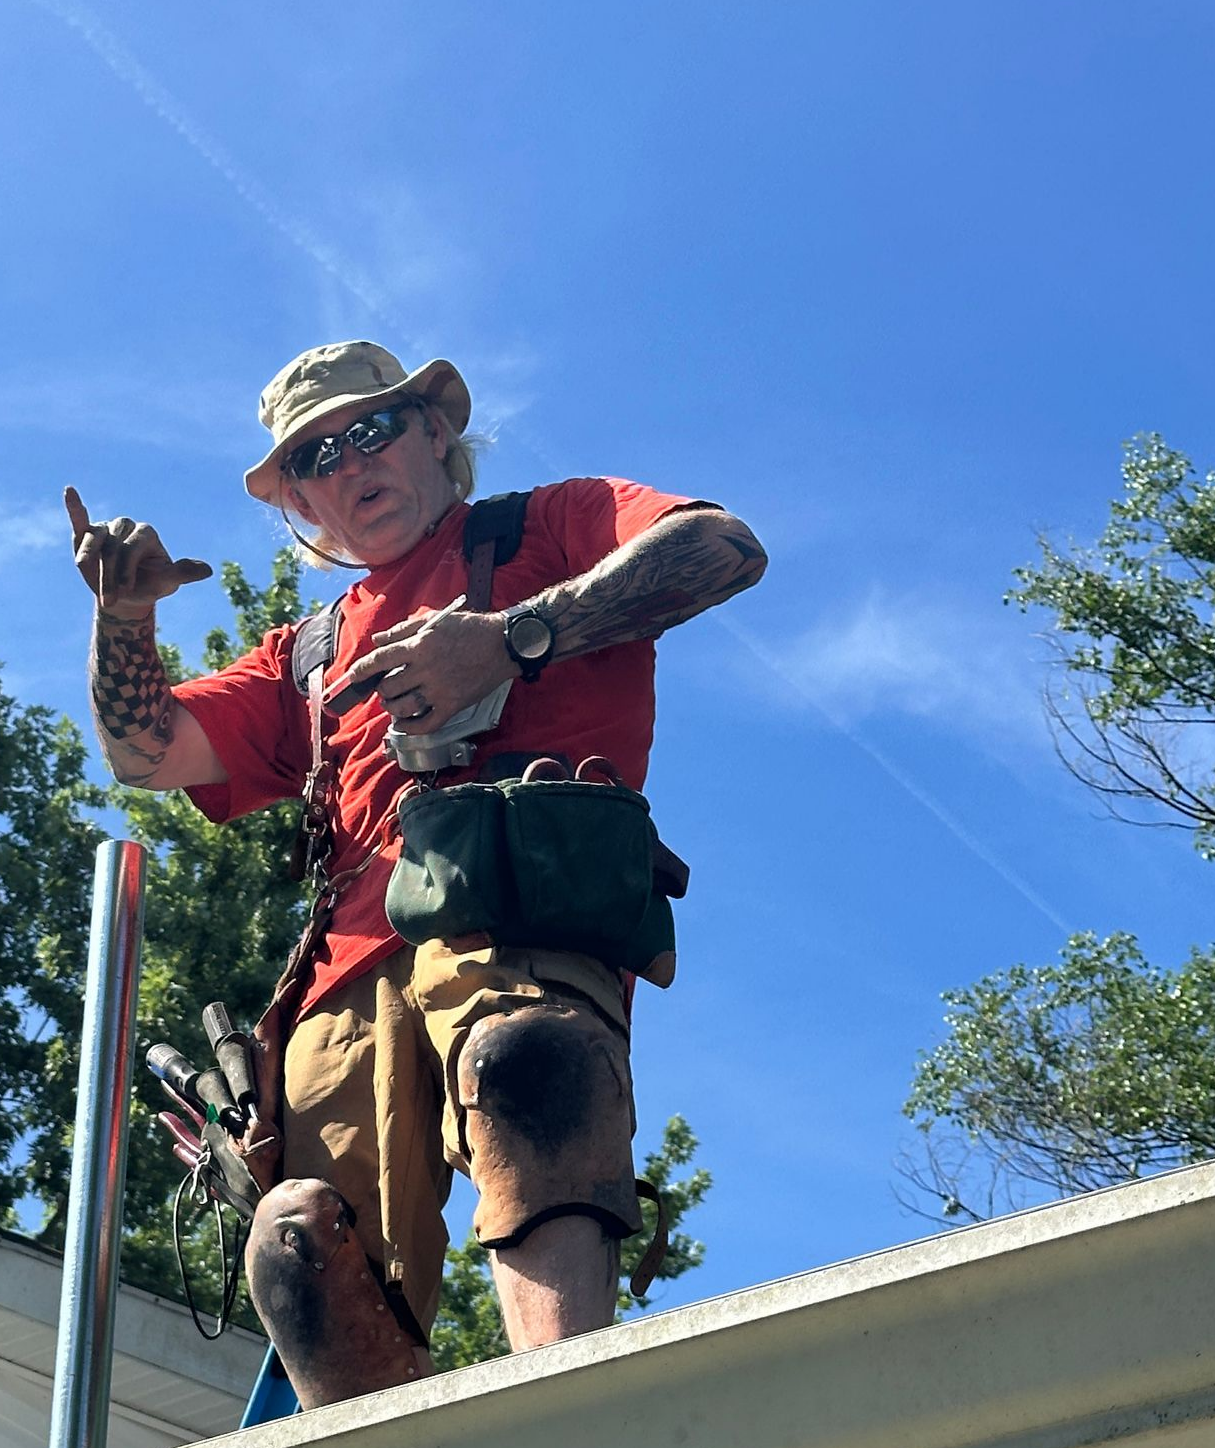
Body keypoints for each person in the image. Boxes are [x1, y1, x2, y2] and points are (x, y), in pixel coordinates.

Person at [63, 340, 765, 1406]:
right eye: (312, 457)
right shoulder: (305, 652)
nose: (347, 464)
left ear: (436, 429)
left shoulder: (548, 527)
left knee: (528, 1067)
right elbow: (146, 752)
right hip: (343, 982)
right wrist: (124, 618)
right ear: (299, 500)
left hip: (514, 906)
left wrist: (516, 636)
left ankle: (568, 1407)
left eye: (369, 429)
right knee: (298, 1238)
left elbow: (720, 546)